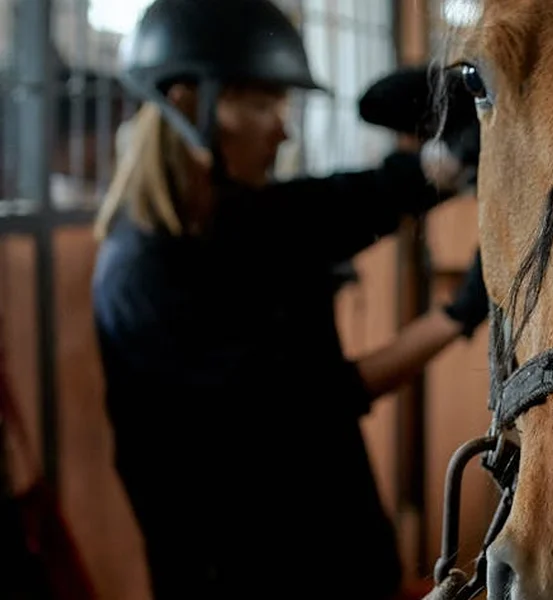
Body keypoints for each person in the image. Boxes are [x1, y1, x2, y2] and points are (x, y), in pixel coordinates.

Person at [89, 1, 487, 599]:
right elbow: (312, 403)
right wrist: (455, 317)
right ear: (186, 103)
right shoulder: (141, 278)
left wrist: (460, 153)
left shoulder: (245, 214)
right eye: (261, 102)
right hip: (245, 575)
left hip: (343, 557)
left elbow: (357, 199)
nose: (284, 126)